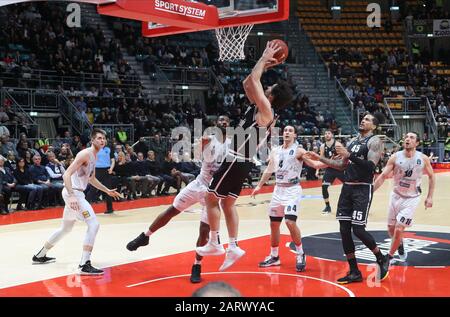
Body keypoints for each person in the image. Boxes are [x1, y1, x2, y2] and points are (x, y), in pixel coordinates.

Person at [196, 41, 293, 271]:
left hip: (235, 160)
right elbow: (248, 82)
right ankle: (233, 247)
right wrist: (263, 65)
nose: (267, 87)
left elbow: (256, 82)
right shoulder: (260, 107)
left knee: (211, 199)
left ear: (271, 96)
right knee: (227, 203)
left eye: (271, 88)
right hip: (241, 162)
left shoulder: (268, 111)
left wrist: (264, 57)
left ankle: (214, 243)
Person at [126, 116, 231, 283]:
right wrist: (196, 143)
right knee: (171, 210)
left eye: (226, 121)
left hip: (213, 192)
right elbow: (198, 146)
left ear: (229, 125)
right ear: (216, 125)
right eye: (220, 121)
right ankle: (145, 236)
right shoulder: (209, 139)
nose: (223, 123)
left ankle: (196, 265)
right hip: (198, 184)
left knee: (203, 231)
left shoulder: (233, 145)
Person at [305, 113, 390, 284]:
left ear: (373, 126)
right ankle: (354, 271)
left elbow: (370, 167)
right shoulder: (352, 141)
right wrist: (320, 158)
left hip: (362, 188)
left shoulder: (375, 142)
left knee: (358, 229)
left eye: (367, 119)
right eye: (363, 118)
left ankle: (381, 257)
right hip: (347, 188)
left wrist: (348, 154)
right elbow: (341, 166)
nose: (363, 120)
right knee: (344, 230)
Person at [32, 129, 121, 275]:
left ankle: (40, 255)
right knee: (94, 224)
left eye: (104, 138)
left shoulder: (94, 157)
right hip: (74, 193)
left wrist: (107, 191)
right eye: (99, 138)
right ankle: (84, 264)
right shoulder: (85, 153)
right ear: (93, 140)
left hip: (75, 193)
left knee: (66, 229)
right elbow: (67, 174)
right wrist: (72, 196)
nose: (102, 140)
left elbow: (91, 179)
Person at [251, 126, 326, 272]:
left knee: (290, 222)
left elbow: (315, 164)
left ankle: (300, 253)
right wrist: (259, 185)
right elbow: (269, 169)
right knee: (274, 225)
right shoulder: (275, 150)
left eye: (290, 131)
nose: (287, 132)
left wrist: (332, 163)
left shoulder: (299, 150)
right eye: (285, 130)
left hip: (292, 189)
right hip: (278, 190)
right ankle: (274, 256)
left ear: (295, 135)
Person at [374, 132, 435, 265]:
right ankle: (399, 244)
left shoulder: (423, 158)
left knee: (399, 229)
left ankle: (388, 258)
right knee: (390, 228)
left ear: (417, 143)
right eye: (406, 137)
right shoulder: (395, 157)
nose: (407, 139)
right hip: (395, 196)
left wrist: (429, 197)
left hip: (411, 199)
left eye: (412, 137)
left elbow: (431, 176)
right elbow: (383, 176)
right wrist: (370, 191)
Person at [320, 130, 346, 214]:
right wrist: (318, 169)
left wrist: (340, 159)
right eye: (325, 133)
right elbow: (321, 159)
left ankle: (351, 204)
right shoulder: (322, 146)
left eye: (328, 133)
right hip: (330, 168)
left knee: (349, 185)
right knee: (324, 187)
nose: (327, 135)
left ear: (332, 135)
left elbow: (345, 155)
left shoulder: (337, 144)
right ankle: (327, 206)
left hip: (339, 168)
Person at [86, 142, 115, 214]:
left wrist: (111, 168)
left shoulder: (109, 149)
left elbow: (113, 160)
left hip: (107, 170)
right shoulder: (95, 149)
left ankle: (110, 208)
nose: (102, 141)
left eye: (104, 139)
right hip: (97, 170)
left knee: (108, 190)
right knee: (93, 189)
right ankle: (84, 207)